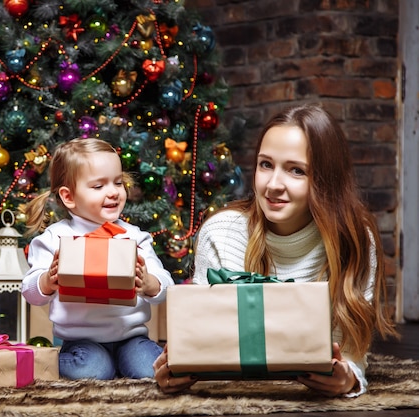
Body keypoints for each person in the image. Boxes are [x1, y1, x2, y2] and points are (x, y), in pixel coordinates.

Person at [153, 103, 398, 397]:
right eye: (266, 164)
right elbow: (205, 343)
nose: (273, 185)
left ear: (325, 180)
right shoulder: (221, 233)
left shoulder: (355, 239)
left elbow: (351, 351)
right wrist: (178, 367)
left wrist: (348, 378)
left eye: (296, 170)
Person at [22, 137, 175, 380]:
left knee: (149, 370)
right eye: (98, 186)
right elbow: (29, 292)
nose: (114, 192)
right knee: (94, 370)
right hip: (81, 342)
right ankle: (44, 361)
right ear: (69, 197)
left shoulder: (134, 237)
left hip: (131, 338)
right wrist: (46, 281)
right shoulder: (56, 238)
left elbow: (167, 286)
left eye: (118, 182)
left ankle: (125, 364)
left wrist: (150, 283)